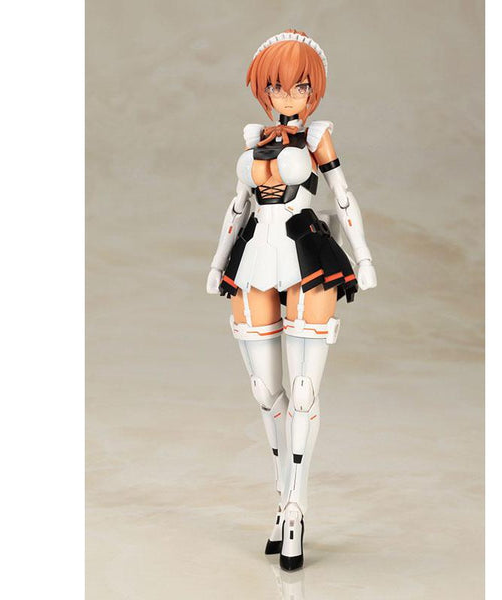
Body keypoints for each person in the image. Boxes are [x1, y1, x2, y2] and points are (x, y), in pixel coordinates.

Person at [206, 29, 377, 570]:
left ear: (313, 91)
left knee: (303, 391)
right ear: (263, 90)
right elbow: (238, 205)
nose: (287, 96)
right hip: (256, 255)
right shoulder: (253, 138)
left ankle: (297, 509)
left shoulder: (318, 137)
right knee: (266, 392)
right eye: (276, 86)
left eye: (299, 86)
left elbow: (343, 197)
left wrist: (363, 255)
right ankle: (282, 503)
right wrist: (217, 262)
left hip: (307, 254)